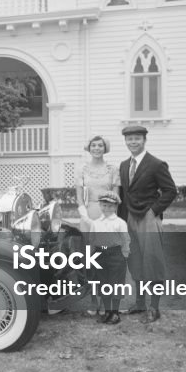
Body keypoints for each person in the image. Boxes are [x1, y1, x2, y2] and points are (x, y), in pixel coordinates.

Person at [118, 124, 177, 322]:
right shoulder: (124, 165)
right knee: (135, 262)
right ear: (125, 141)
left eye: (137, 138)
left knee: (152, 262)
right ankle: (140, 303)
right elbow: (125, 194)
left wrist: (154, 211)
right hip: (129, 219)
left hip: (149, 219)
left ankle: (154, 308)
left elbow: (170, 191)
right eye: (129, 139)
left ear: (144, 140)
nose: (133, 142)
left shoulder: (156, 164)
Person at [75, 135, 118, 315]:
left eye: (100, 145)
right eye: (94, 145)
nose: (97, 148)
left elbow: (116, 197)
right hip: (89, 216)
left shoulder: (112, 169)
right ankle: (94, 302)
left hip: (107, 215)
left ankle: (108, 301)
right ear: (89, 148)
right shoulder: (82, 170)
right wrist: (85, 216)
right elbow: (80, 198)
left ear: (105, 148)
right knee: (91, 261)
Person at [77, 191, 130, 324]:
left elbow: (125, 240)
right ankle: (107, 312)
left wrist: (124, 255)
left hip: (115, 255)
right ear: (100, 206)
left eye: (110, 206)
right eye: (104, 206)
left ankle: (115, 313)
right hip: (100, 255)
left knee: (116, 284)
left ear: (116, 207)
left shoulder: (120, 223)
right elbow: (93, 240)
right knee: (104, 284)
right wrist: (91, 257)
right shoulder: (96, 223)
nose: (107, 209)